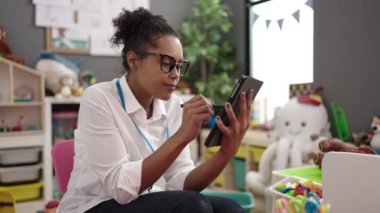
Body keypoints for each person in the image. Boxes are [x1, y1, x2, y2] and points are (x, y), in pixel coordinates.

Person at [57, 8, 254, 213]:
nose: (175, 74)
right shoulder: (99, 98)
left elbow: (182, 183)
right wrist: (181, 137)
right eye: (167, 63)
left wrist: (226, 152)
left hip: (144, 201)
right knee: (195, 206)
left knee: (230, 209)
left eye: (179, 66)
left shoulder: (173, 105)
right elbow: (120, 189)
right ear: (133, 60)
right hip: (93, 205)